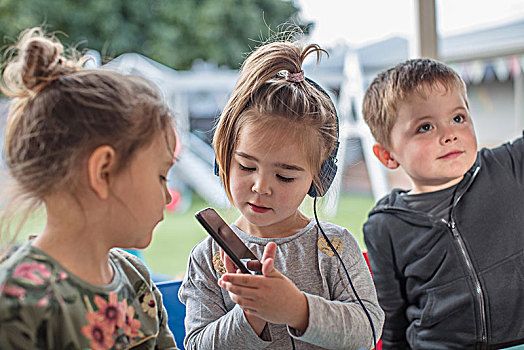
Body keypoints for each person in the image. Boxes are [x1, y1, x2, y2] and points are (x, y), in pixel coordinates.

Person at [178, 39, 384, 350]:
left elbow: (368, 328)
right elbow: (196, 345)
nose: (261, 187)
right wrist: (250, 314)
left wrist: (296, 309)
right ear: (223, 159)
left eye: (285, 176)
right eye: (246, 167)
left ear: (318, 179)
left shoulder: (334, 248)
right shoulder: (208, 258)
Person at [0, 27, 178, 349]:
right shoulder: (16, 303)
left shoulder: (136, 279)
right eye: (161, 176)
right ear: (104, 171)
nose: (167, 196)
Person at [362, 58, 524, 349]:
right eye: (425, 127)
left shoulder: (508, 167)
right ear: (387, 155)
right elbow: (392, 321)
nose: (449, 134)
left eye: (458, 118)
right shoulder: (383, 226)